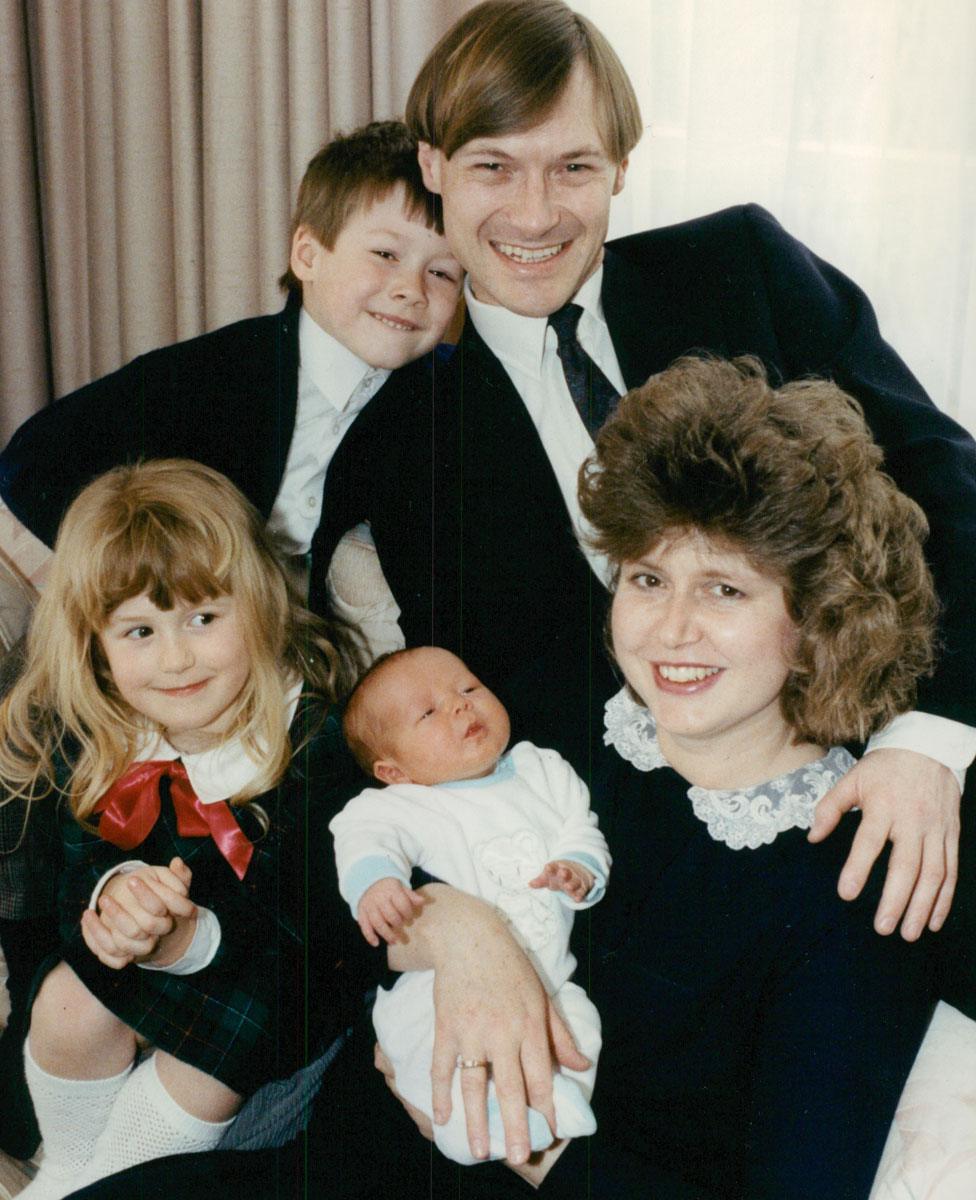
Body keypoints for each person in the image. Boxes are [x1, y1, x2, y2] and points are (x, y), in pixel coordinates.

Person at [317, 0, 976, 952]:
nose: (536, 214)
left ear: (622, 165)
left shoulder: (743, 270)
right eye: (493, 165)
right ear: (432, 167)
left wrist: (928, 741)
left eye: (573, 167)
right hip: (628, 873)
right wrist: (451, 929)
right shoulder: (399, 436)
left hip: (883, 758)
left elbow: (943, 487)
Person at [377, 355, 949, 1197]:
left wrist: (541, 1156)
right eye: (648, 579)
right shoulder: (555, 714)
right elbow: (366, 859)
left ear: (819, 618)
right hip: (361, 1138)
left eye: (723, 589)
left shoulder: (858, 881)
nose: (670, 630)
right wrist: (462, 934)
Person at [0, 117, 461, 1158]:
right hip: (159, 619)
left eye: (443, 272)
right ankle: (49, 1005)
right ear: (306, 257)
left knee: (264, 826)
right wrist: (143, 568)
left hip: (256, 645)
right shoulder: (226, 369)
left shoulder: (425, 401)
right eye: (383, 255)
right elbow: (33, 458)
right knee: (67, 782)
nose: (410, 289)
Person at [0, 460, 371, 1198]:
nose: (175, 659)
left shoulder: (316, 742)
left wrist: (185, 940)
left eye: (203, 618)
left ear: (259, 605)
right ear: (96, 645)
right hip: (147, 977)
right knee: (66, 1000)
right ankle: (69, 1175)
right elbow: (79, 867)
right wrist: (113, 900)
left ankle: (76, 1188)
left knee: (201, 1072)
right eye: (140, 630)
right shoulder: (100, 732)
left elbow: (313, 939)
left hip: (269, 1006)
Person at [331, 645, 609, 1164]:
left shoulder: (541, 769)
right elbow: (362, 837)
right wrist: (377, 883)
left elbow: (582, 827)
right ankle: (469, 1129)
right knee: (429, 1047)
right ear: (393, 770)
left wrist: (578, 867)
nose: (460, 706)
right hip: (441, 989)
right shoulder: (403, 803)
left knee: (578, 1024)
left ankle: (551, 1106)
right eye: (429, 712)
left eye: (468, 688)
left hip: (548, 979)